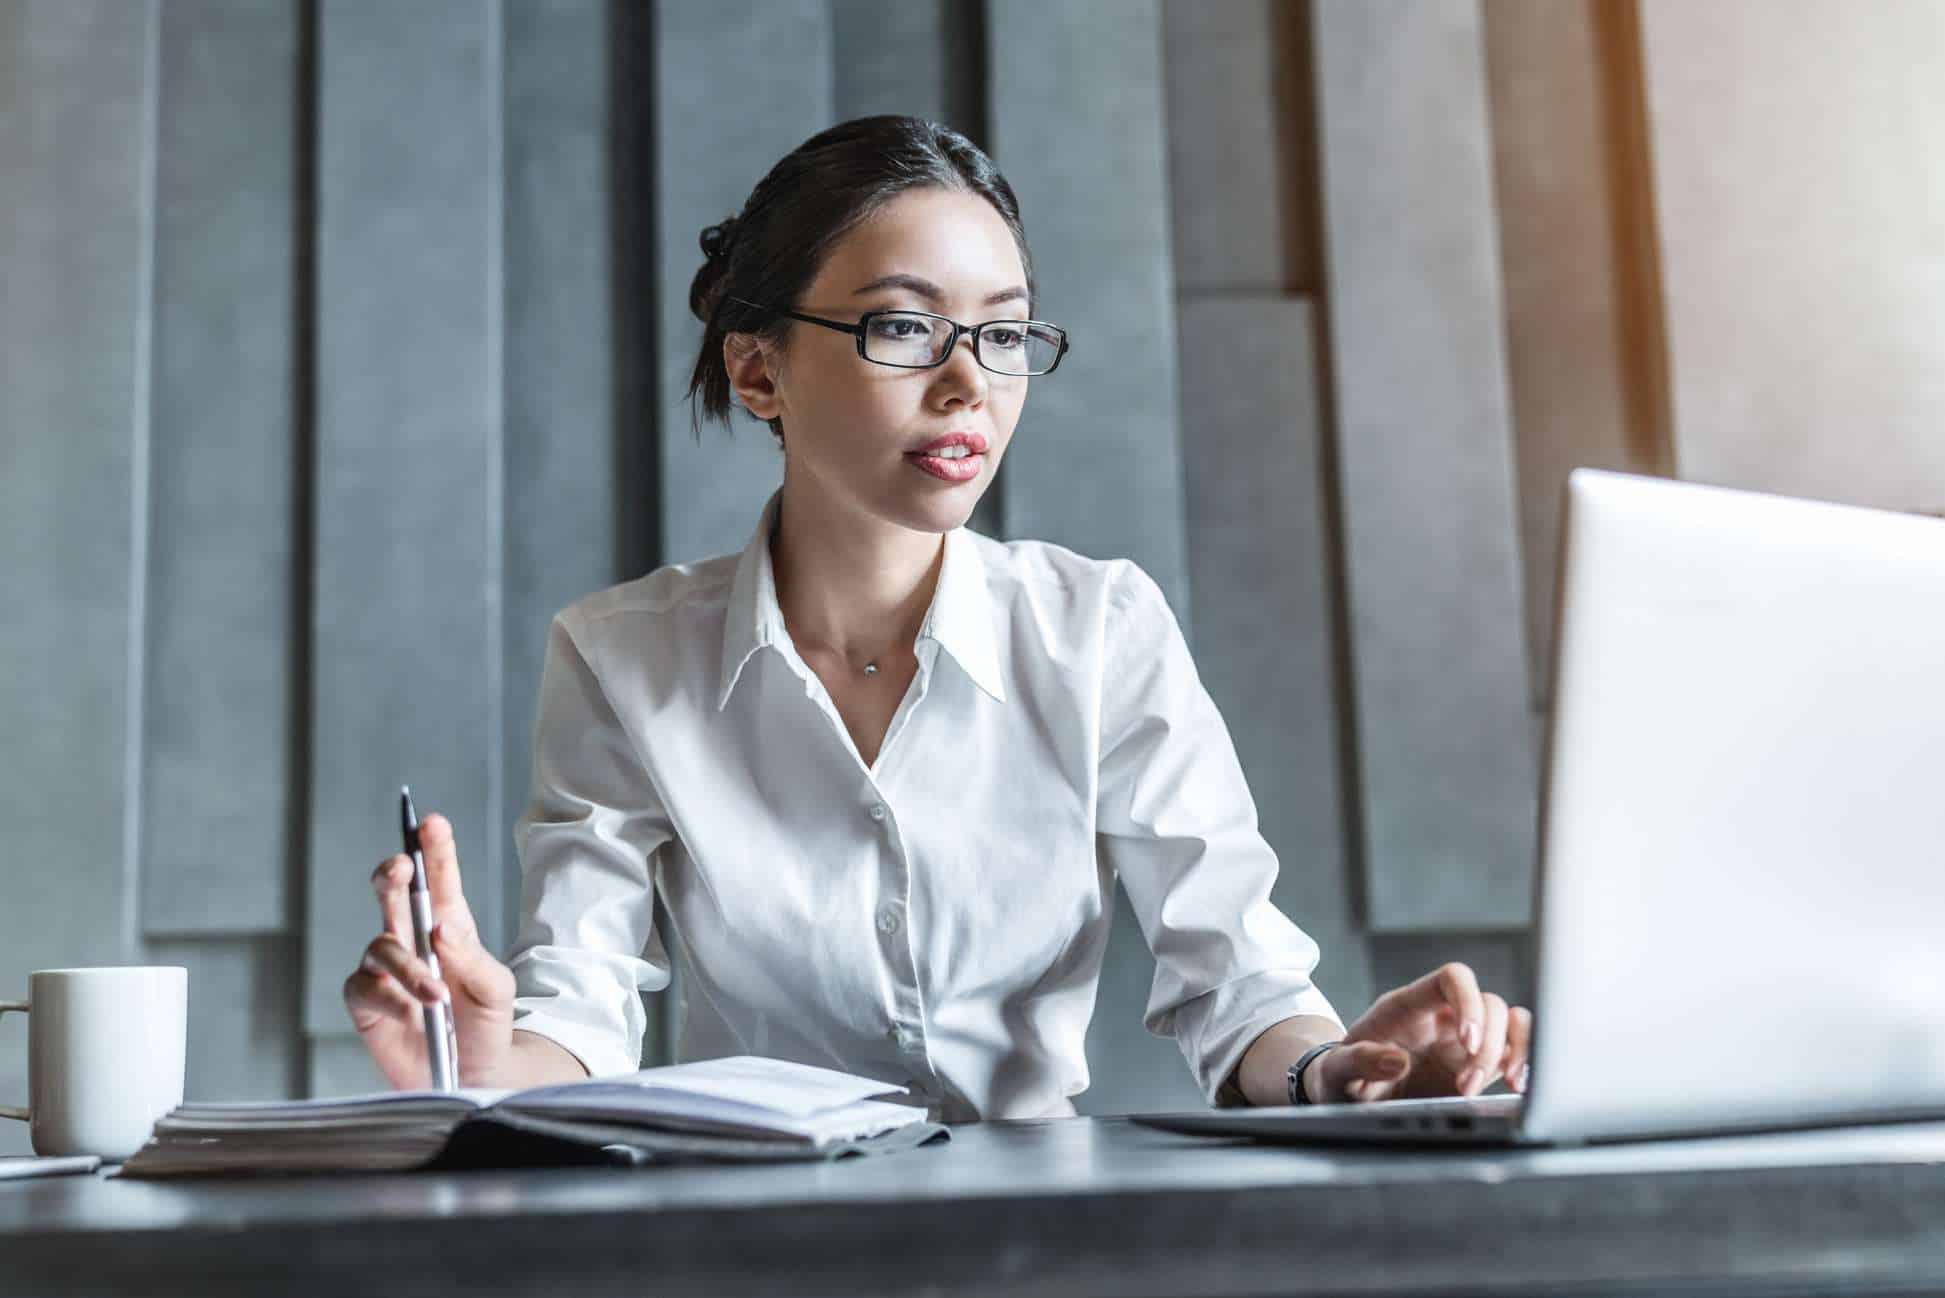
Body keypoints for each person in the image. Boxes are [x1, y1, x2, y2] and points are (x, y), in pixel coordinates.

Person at [342, 115, 1532, 1119]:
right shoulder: (622, 655)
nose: (967, 381)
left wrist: (1341, 1069)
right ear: (758, 371)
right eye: (904, 325)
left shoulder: (1098, 628)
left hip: (1035, 1245)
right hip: (746, 1249)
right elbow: (584, 1013)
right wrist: (484, 1062)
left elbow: (1237, 983)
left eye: (1003, 332)